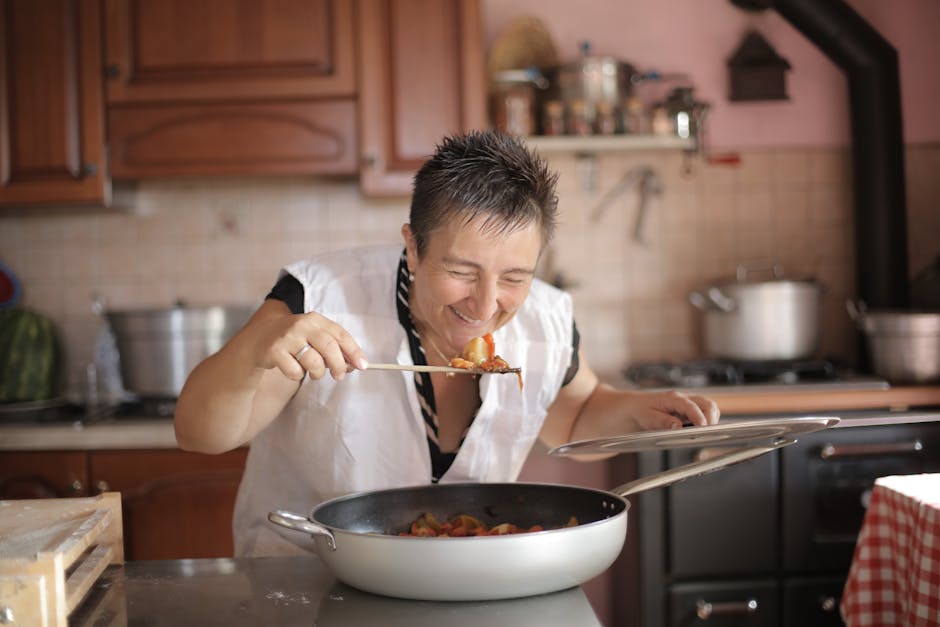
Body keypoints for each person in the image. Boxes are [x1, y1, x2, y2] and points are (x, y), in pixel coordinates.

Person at [174, 129, 720, 556]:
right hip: (307, 585)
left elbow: (575, 416)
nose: (485, 307)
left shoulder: (547, 319)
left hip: (466, 583)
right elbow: (200, 433)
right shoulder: (317, 296)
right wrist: (254, 346)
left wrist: (643, 413)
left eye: (514, 278)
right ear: (412, 247)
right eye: (461, 271)